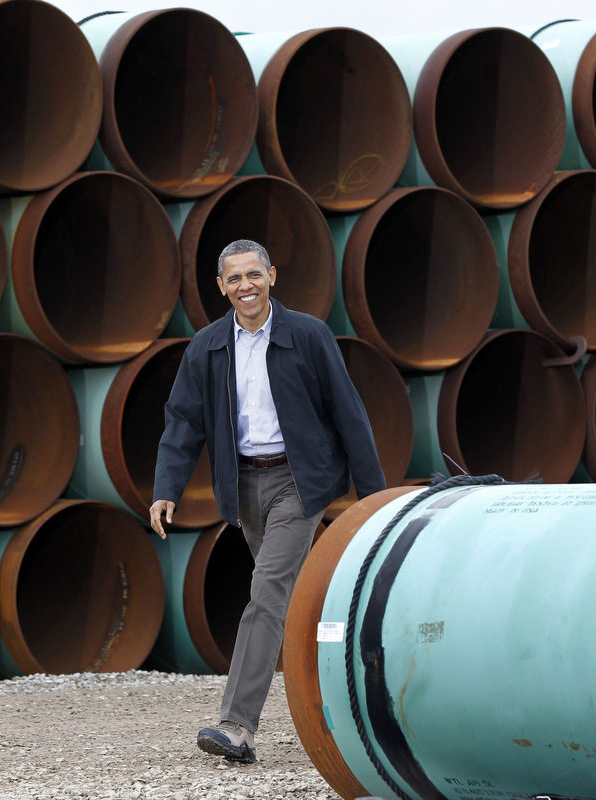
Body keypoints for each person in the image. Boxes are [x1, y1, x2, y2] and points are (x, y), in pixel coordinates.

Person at [149, 239, 385, 763]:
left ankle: (237, 725)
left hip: (300, 481)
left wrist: (373, 501)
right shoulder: (207, 347)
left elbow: (349, 414)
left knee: (267, 593)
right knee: (310, 600)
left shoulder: (308, 335)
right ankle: (372, 691)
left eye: (253, 274)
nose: (245, 286)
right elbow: (183, 421)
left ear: (272, 276)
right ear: (220, 287)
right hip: (244, 487)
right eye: (234, 279)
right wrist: (167, 488)